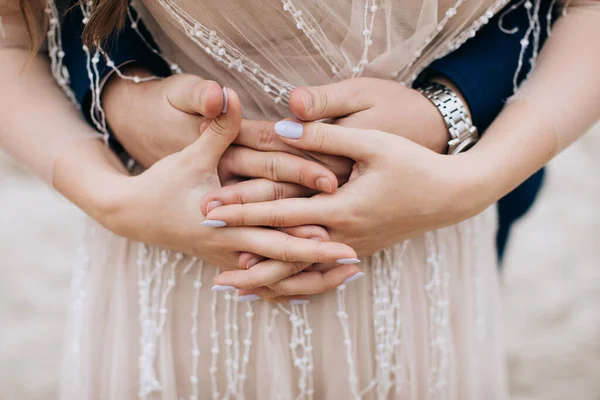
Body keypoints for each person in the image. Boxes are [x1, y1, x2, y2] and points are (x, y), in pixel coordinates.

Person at [1, 0, 598, 399]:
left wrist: (467, 166)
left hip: (427, 266)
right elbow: (12, 30)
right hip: (176, 266)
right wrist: (113, 185)